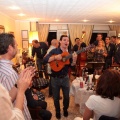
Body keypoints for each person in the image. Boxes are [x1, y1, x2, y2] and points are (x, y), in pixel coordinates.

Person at [0, 33, 34, 120]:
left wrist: (22, 79)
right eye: (16, 44)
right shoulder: (9, 74)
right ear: (10, 48)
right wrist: (21, 88)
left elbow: (10, 91)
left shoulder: (4, 67)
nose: (17, 46)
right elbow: (9, 100)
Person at [43, 35, 77, 119]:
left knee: (67, 97)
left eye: (68, 40)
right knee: (56, 97)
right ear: (60, 41)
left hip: (65, 78)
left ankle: (65, 109)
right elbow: (45, 59)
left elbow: (72, 66)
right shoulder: (54, 50)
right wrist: (55, 57)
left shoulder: (70, 53)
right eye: (64, 40)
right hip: (55, 78)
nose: (66, 42)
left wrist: (75, 60)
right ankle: (57, 111)